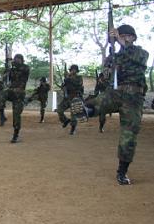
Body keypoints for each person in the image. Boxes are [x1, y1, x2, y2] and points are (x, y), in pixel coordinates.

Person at [92, 24, 148, 185]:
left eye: (124, 36)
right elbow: (107, 73)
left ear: (132, 37)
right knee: (95, 103)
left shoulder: (141, 52)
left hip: (133, 98)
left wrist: (120, 42)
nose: (122, 38)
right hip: (116, 93)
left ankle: (122, 172)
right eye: (120, 36)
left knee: (128, 136)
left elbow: (134, 55)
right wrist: (111, 51)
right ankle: (84, 112)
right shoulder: (116, 56)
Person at [0, 54, 30, 143]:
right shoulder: (12, 69)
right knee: (2, 93)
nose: (15, 60)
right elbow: (4, 79)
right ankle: (2, 115)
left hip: (20, 94)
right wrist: (7, 69)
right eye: (15, 59)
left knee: (16, 115)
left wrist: (13, 64)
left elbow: (23, 70)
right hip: (12, 91)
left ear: (21, 60)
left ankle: (16, 135)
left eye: (17, 59)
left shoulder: (25, 68)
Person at [57, 64, 84, 135]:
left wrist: (69, 78)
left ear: (76, 70)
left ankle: (73, 129)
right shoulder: (67, 78)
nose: (72, 71)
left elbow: (78, 84)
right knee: (59, 109)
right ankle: (65, 120)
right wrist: (64, 85)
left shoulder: (79, 77)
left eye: (73, 70)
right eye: (71, 70)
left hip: (76, 97)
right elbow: (64, 86)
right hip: (67, 97)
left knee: (73, 114)